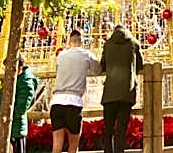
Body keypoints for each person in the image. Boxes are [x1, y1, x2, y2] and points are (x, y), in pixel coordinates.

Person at [50, 29, 101, 153]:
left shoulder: (61, 55)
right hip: (73, 102)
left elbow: (58, 71)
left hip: (57, 101)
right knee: (73, 146)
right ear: (82, 41)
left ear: (69, 41)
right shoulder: (86, 54)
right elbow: (98, 70)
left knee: (56, 146)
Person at [100, 24, 143, 153]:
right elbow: (140, 65)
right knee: (121, 132)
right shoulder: (134, 43)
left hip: (109, 94)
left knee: (108, 132)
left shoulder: (108, 44)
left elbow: (103, 64)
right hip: (126, 93)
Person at [0, 56, 39, 153]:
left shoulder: (25, 83)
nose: (6, 71)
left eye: (8, 68)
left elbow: (19, 109)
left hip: (14, 131)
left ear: (18, 68)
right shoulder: (13, 79)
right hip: (4, 128)